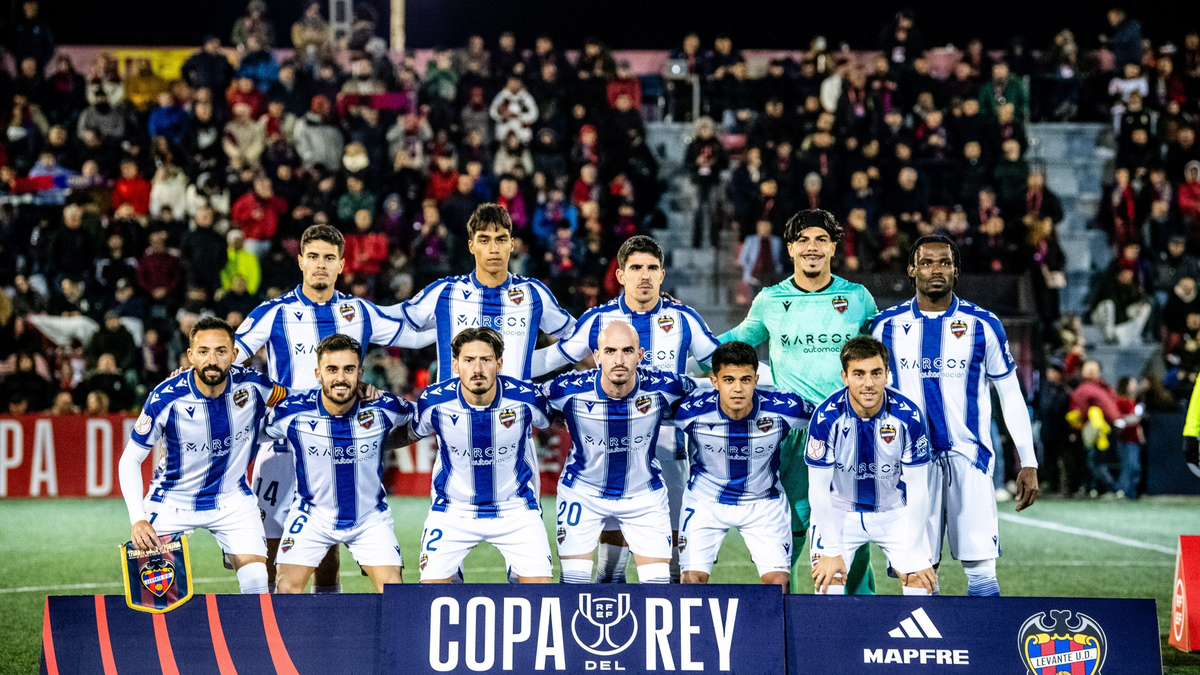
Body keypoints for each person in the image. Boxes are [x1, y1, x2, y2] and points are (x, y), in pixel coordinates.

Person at [234, 224, 429, 592]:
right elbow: (231, 360)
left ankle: (327, 639)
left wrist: (461, 324)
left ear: (341, 264)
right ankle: (273, 635)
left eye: (328, 258)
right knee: (273, 555)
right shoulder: (274, 312)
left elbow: (413, 334)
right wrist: (263, 392)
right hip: (282, 449)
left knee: (328, 555)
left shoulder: (359, 312)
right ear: (300, 262)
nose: (320, 265)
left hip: (341, 447)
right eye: (313, 257)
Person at [531, 235, 721, 583]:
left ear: (662, 275)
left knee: (674, 563)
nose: (644, 276)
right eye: (635, 268)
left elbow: (723, 366)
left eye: (651, 268)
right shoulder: (598, 320)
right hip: (611, 452)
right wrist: (503, 368)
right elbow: (554, 358)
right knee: (611, 568)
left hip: (669, 451)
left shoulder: (684, 319)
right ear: (620, 275)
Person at [719, 209, 879, 595]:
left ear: (833, 247)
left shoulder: (857, 298)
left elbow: (881, 351)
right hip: (790, 435)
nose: (812, 247)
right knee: (784, 532)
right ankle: (781, 619)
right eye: (803, 240)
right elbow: (736, 343)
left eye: (820, 240)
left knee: (850, 530)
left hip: (849, 432)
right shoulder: (772, 299)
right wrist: (680, 349)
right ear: (790, 248)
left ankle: (856, 615)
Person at [871, 235, 1039, 596]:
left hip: (970, 460)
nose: (936, 270)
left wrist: (1028, 460)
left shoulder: (982, 325)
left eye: (944, 263)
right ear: (912, 269)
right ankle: (923, 652)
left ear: (955, 271)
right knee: (917, 572)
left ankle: (983, 651)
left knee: (981, 571)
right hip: (909, 465)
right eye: (927, 262)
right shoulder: (884, 327)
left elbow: (1010, 393)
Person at [117, 317, 286, 595]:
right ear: (191, 355)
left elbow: (296, 403)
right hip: (171, 501)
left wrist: (354, 394)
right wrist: (138, 518)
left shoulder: (256, 386)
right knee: (155, 593)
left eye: (221, 351)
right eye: (204, 351)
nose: (212, 359)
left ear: (234, 355)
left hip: (231, 500)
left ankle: (250, 638)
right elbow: (130, 460)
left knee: (257, 580)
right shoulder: (165, 397)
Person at [544, 321, 694, 584]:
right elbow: (522, 402)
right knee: (574, 584)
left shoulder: (666, 386)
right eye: (610, 351)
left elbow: (711, 392)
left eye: (627, 351)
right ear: (597, 356)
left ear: (640, 355)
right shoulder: (566, 389)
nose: (619, 359)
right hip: (584, 492)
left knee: (659, 588)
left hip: (643, 494)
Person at [266, 334, 411, 592]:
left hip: (369, 518)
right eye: (332, 369)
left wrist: (382, 443)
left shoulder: (384, 407)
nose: (340, 378)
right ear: (318, 373)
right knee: (286, 587)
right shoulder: (291, 412)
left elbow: (421, 423)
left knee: (394, 590)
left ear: (360, 372)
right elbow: (244, 430)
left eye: (348, 369)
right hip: (311, 516)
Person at [411, 328, 553, 583]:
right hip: (453, 510)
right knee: (429, 599)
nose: (478, 368)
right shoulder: (433, 402)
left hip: (516, 510)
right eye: (468, 360)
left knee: (541, 594)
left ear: (499, 363)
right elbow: (407, 433)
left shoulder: (527, 399)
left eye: (486, 360)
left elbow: (559, 419)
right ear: (455, 365)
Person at [673, 341, 816, 589]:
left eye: (745, 379)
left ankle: (775, 629)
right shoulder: (690, 411)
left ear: (756, 379)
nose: (737, 389)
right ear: (714, 381)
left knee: (778, 584)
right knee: (691, 581)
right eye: (728, 380)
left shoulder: (786, 408)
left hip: (763, 502)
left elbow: (828, 419)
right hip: (705, 501)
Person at [383, 203, 575, 381]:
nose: (493, 248)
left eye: (501, 239)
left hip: (511, 414)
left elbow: (577, 336)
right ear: (471, 246)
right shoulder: (444, 293)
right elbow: (388, 320)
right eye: (484, 240)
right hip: (454, 413)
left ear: (512, 244)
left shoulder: (534, 294)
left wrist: (529, 365)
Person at [807, 337, 936, 595]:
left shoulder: (908, 416)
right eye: (859, 374)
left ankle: (913, 636)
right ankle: (835, 637)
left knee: (921, 581)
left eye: (876, 373)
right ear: (845, 377)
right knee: (828, 580)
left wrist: (913, 551)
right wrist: (831, 550)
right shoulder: (825, 418)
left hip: (893, 511)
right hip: (839, 511)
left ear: (887, 374)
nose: (868, 383)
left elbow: (919, 488)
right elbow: (818, 489)